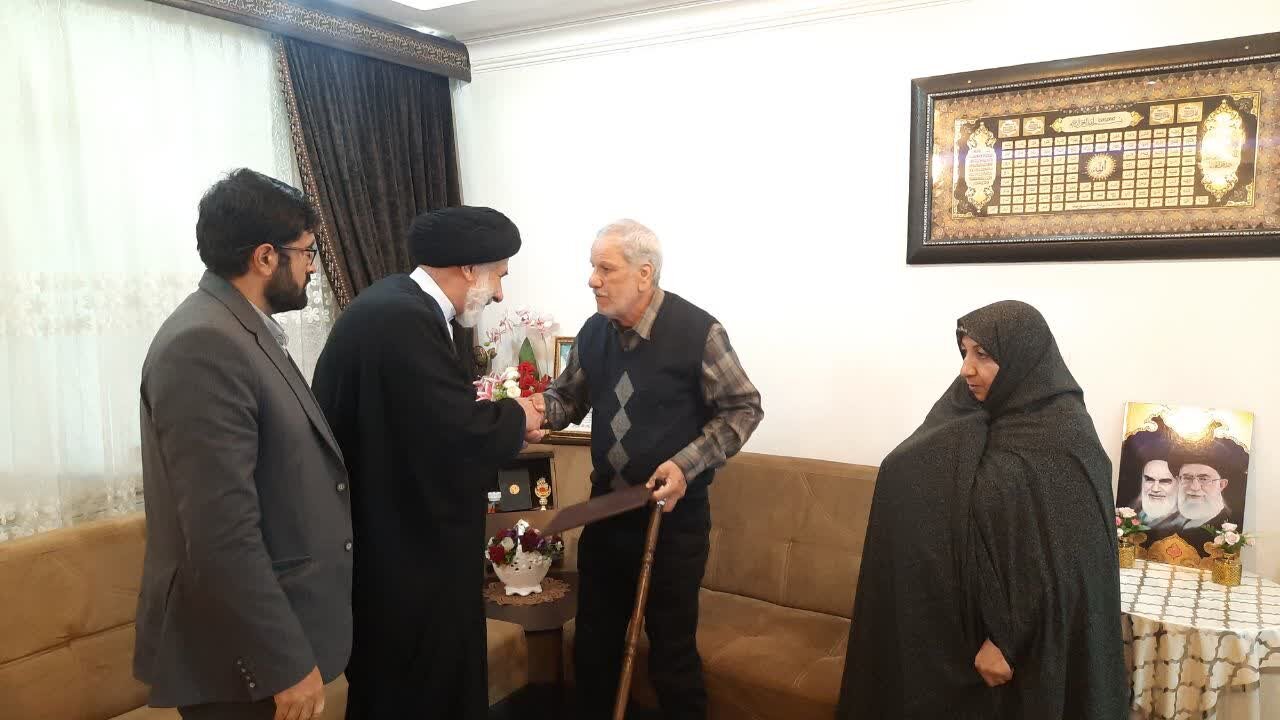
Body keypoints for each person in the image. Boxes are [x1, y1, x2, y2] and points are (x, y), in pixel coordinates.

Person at [836, 300, 1126, 719]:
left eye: (983, 355)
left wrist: (1007, 637)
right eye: (965, 352)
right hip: (951, 646)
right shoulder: (965, 413)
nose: (966, 369)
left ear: (1024, 356)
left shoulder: (1066, 437)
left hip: (1023, 656)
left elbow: (1072, 559)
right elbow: (907, 471)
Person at [133, 169, 351, 720]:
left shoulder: (238, 329)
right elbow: (220, 532)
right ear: (265, 257)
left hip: (261, 647)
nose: (312, 267)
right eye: (307, 252)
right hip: (239, 664)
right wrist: (283, 662)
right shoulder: (203, 344)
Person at [310, 206, 544, 719]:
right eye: (499, 275)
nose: (499, 294)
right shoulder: (403, 319)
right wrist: (518, 416)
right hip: (406, 568)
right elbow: (452, 433)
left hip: (393, 553)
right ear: (469, 268)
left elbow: (424, 423)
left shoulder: (392, 305)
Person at [532, 219, 763, 719]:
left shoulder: (699, 332)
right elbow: (567, 399)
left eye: (605, 268)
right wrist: (528, 413)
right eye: (592, 267)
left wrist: (685, 464)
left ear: (644, 273)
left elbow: (743, 408)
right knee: (593, 647)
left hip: (672, 520)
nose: (592, 280)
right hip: (606, 511)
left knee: (671, 655)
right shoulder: (594, 332)